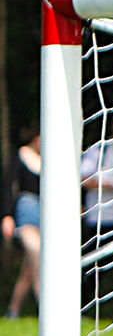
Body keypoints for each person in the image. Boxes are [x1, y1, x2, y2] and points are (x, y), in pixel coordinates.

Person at [2, 130, 40, 318]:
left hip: (47, 215)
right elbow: (10, 186)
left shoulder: (52, 158)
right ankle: (47, 308)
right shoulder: (21, 155)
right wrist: (7, 216)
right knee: (39, 257)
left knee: (29, 268)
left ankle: (13, 311)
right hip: (26, 213)